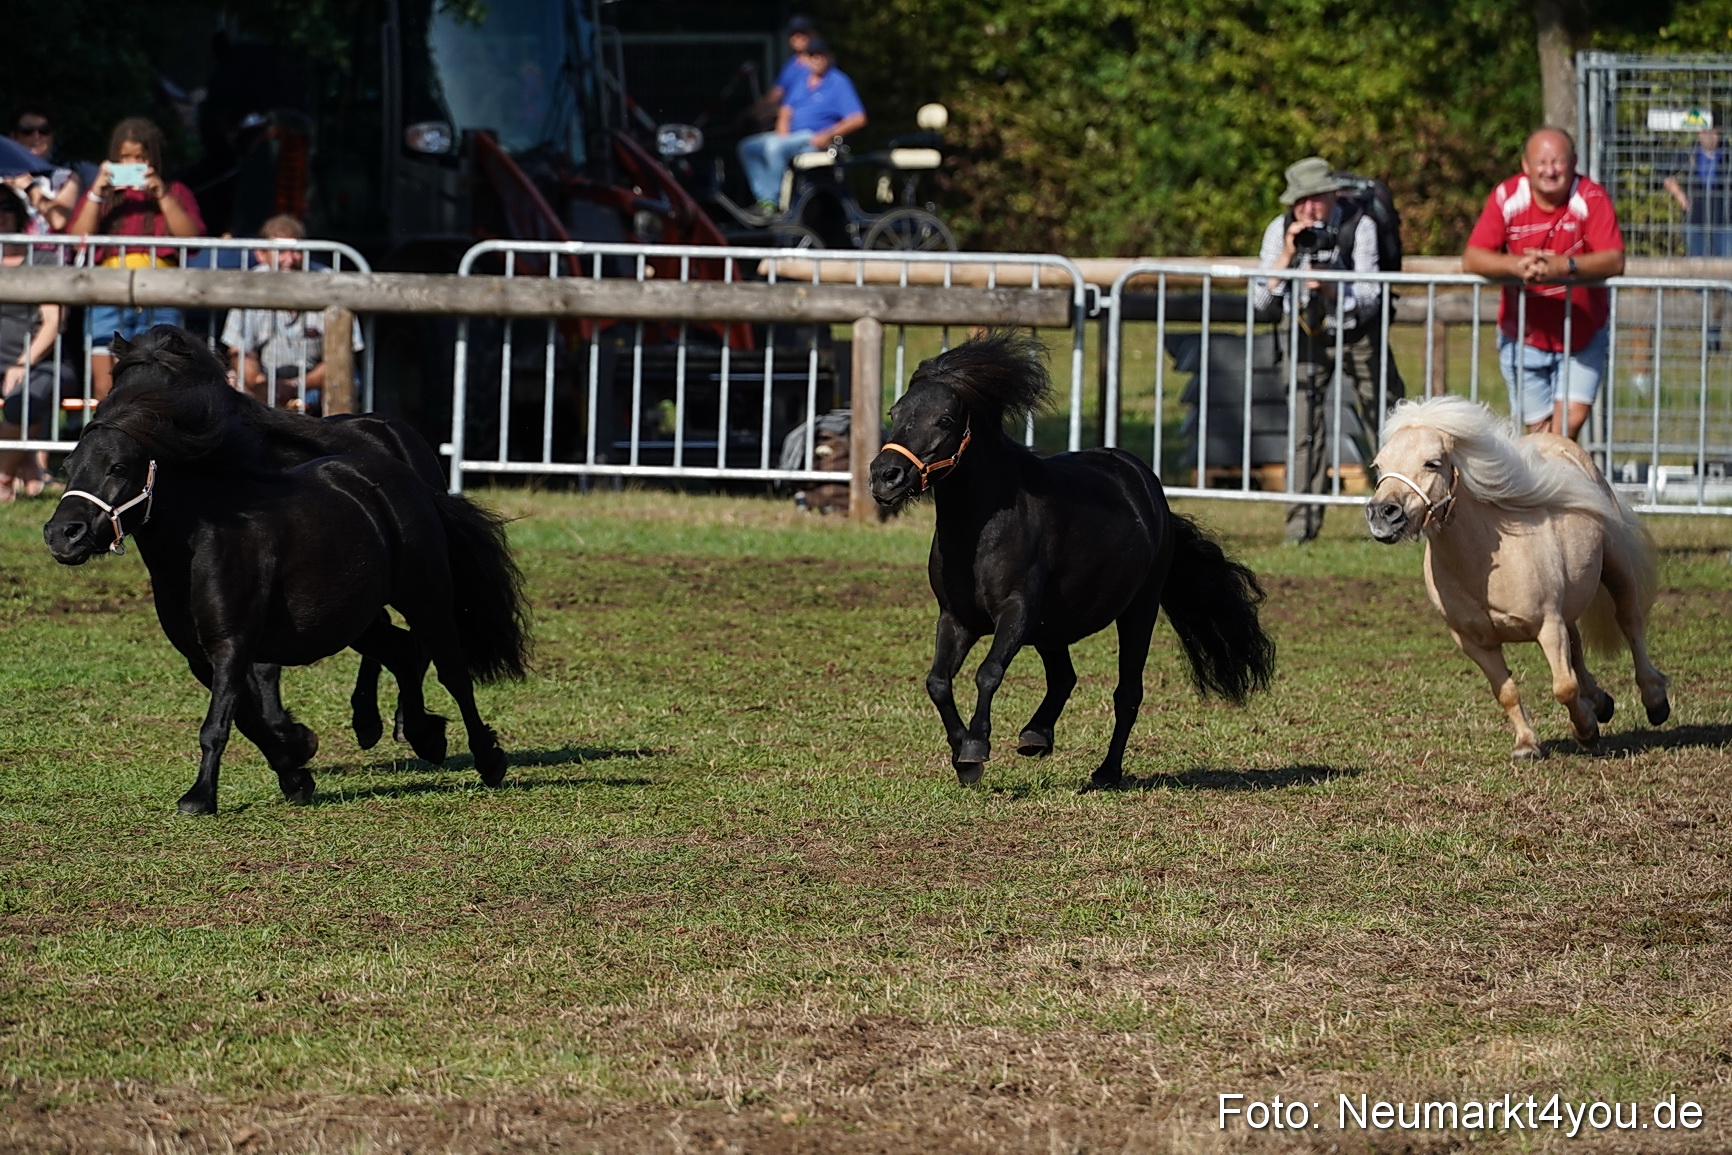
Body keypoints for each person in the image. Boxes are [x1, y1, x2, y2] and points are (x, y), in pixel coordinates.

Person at [1251, 155, 1406, 545]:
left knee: (1386, 419)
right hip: (1304, 333)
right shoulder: (1281, 228)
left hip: (1357, 332)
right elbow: (1260, 303)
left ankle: (1398, 517)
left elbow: (1371, 294)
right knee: (1303, 426)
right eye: (1298, 201)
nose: (1305, 209)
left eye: (1313, 199)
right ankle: (1299, 528)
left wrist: (1334, 288)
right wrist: (1287, 258)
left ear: (1333, 194)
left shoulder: (1360, 225)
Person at [1463, 127, 1625, 441]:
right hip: (1523, 336)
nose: (1549, 171)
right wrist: (1516, 265)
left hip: (1582, 333)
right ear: (1526, 165)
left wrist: (1566, 266)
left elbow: (1614, 259)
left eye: (1558, 162)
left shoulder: (1591, 196)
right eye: (1542, 162)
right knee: (1539, 436)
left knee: (1566, 429)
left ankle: (1555, 486)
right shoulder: (1507, 197)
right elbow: (1473, 257)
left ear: (1574, 162)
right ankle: (1548, 488)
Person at [67, 116, 205, 400]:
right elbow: (77, 236)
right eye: (124, 158)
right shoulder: (105, 196)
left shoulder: (175, 191)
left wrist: (162, 194)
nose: (131, 165)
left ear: (154, 158)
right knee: (105, 386)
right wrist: (96, 192)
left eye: (140, 158)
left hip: (160, 294)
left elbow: (192, 239)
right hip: (107, 293)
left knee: (157, 382)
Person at [220, 215, 362, 414]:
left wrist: (293, 386)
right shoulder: (248, 285)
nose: (290, 259)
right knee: (233, 382)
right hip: (264, 383)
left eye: (297, 251)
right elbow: (240, 353)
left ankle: (338, 441)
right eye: (281, 251)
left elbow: (342, 357)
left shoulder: (330, 283)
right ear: (261, 254)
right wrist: (262, 385)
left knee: (349, 380)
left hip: (317, 385)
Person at [736, 36, 866, 215]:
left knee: (774, 148)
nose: (817, 59)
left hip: (814, 137)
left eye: (821, 55)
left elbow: (858, 118)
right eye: (812, 55)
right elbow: (786, 109)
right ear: (807, 58)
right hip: (790, 136)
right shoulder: (802, 81)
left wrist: (829, 134)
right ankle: (762, 198)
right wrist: (782, 126)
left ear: (829, 56)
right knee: (748, 147)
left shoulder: (838, 82)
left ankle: (772, 204)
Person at [0, 187, 71, 501]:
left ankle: (2, 480)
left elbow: (53, 322)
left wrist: (21, 364)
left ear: (19, 213)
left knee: (23, 400)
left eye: (6, 206)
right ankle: (27, 464)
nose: (1, 215)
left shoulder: (41, 258)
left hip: (42, 364)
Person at [1663, 124, 1732, 258]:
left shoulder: (1728, 155)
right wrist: (1680, 196)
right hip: (1695, 220)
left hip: (1726, 222)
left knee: (1726, 269)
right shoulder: (1689, 153)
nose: (1709, 137)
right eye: (1704, 132)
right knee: (1697, 267)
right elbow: (1665, 173)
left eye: (1713, 132)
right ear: (1699, 134)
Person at [7, 109, 81, 233]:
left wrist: (30, 188)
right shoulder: (3, 177)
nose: (36, 136)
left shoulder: (66, 178)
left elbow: (59, 220)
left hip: (51, 251)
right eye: (27, 131)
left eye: (44, 131)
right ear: (14, 137)